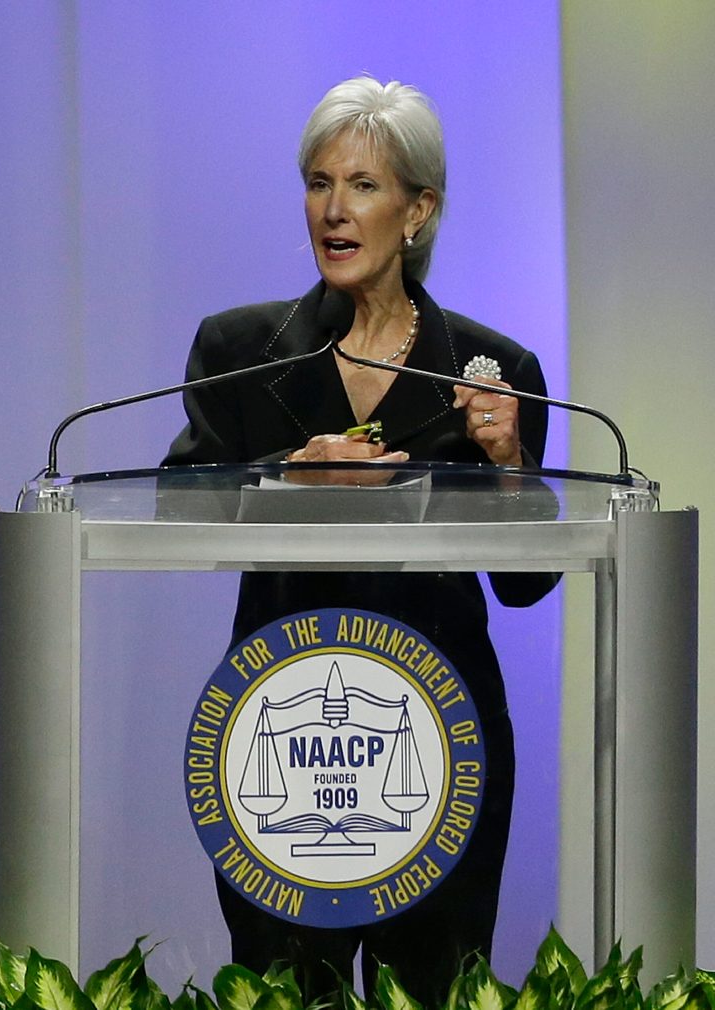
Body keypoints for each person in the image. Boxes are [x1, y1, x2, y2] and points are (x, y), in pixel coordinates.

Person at [163, 76, 557, 1007]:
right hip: (275, 728)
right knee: (286, 988)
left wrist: (507, 461)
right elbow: (178, 505)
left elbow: (530, 582)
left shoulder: (493, 371)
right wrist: (284, 474)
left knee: (428, 987)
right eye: (317, 182)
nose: (334, 211)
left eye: (364, 186)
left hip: (438, 736)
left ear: (418, 210)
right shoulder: (244, 351)